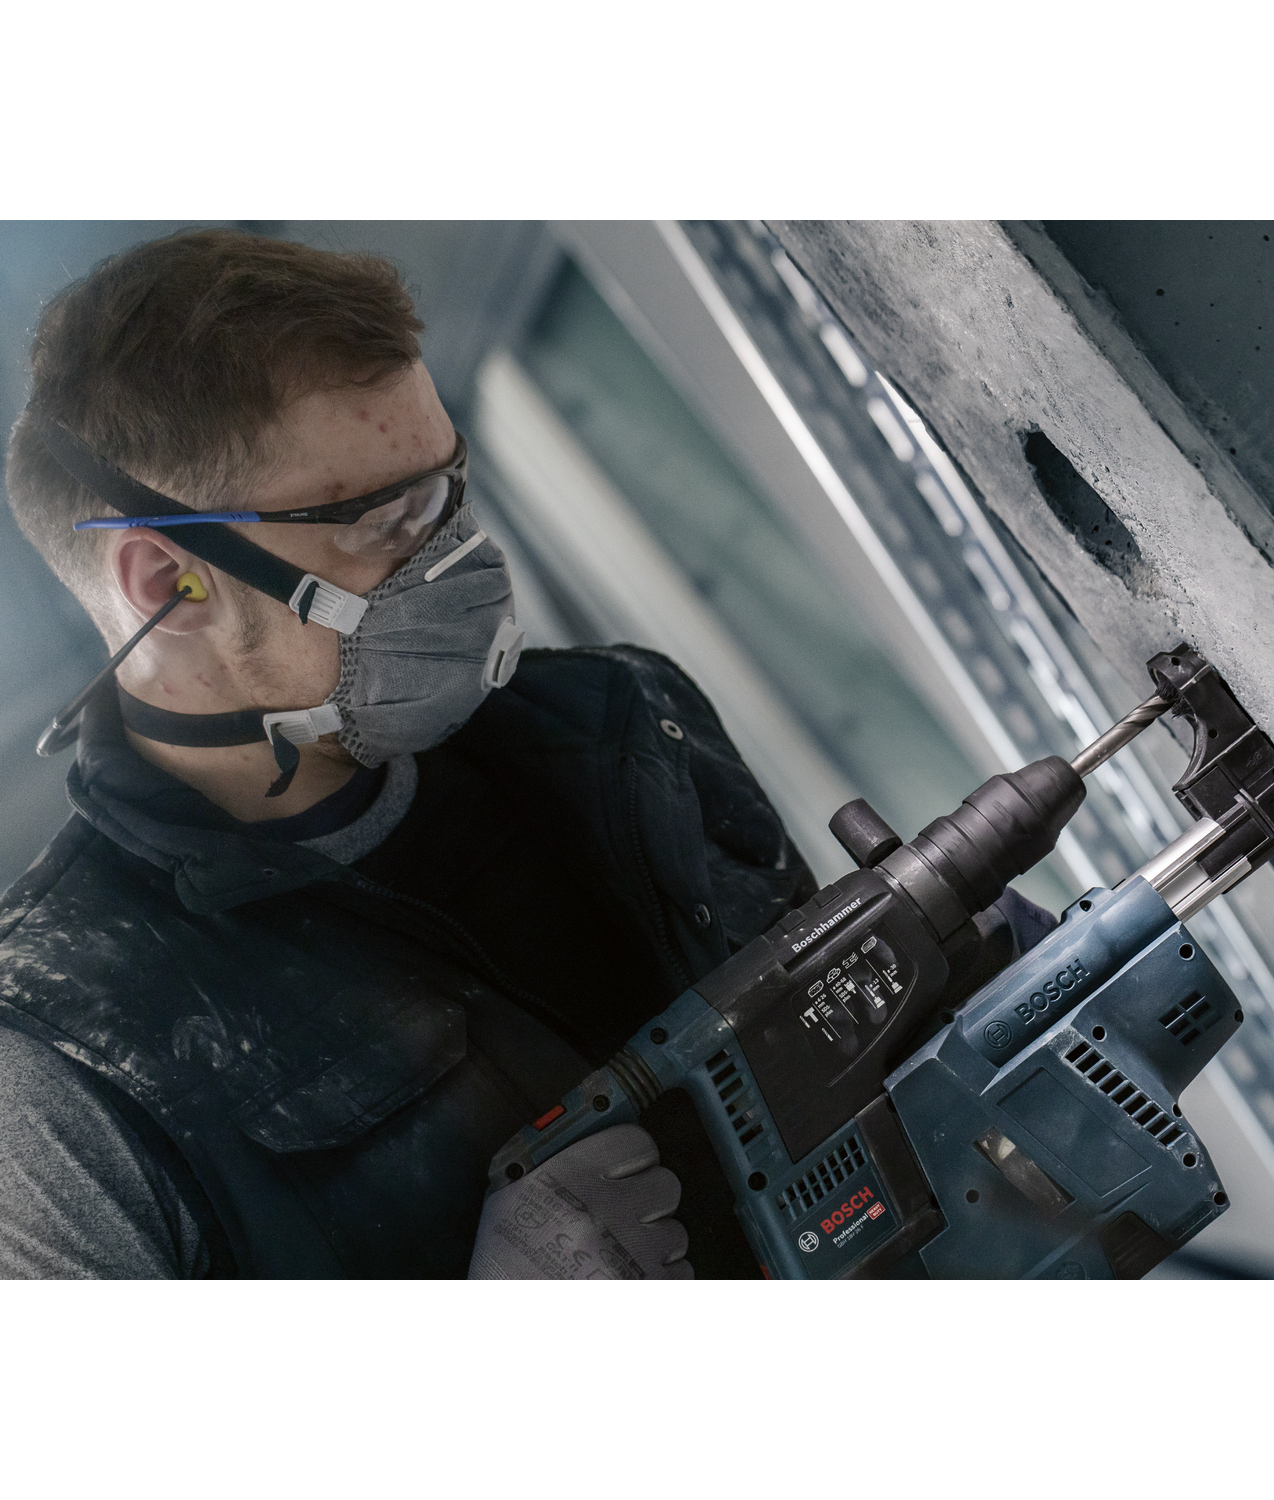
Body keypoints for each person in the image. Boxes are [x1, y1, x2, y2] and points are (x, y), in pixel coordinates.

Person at [0, 228, 1056, 1279]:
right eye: (385, 519)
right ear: (169, 587)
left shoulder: (625, 720)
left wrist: (959, 1018)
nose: (460, 556)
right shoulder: (59, 1068)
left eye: (448, 487)